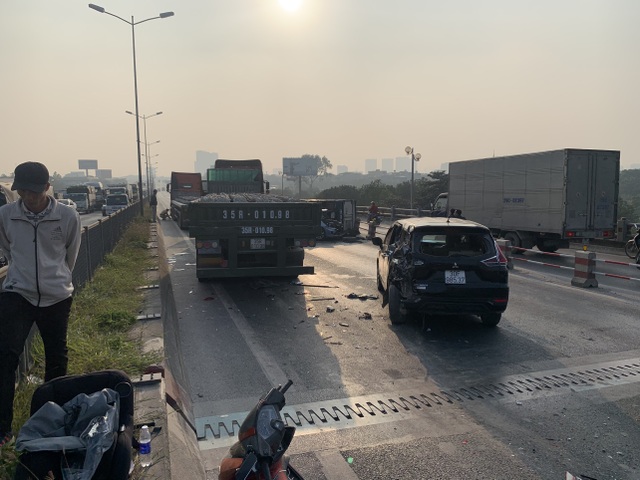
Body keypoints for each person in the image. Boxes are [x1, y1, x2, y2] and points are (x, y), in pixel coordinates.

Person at [0, 162, 81, 446]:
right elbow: (8, 249)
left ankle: (54, 420)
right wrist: (23, 274)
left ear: (47, 188)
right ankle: (3, 430)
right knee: (5, 357)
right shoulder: (5, 215)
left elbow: (70, 256)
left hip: (56, 296)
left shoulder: (67, 216)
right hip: (17, 294)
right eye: (22, 192)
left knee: (56, 358)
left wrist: (54, 280)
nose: (29, 198)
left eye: (34, 192)